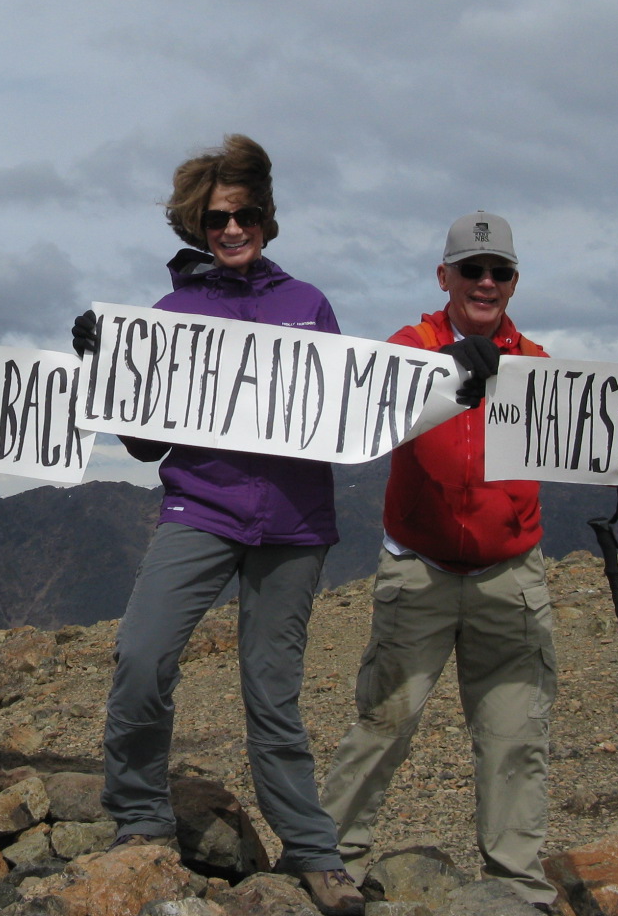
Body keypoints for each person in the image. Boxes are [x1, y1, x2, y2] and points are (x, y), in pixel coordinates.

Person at [318, 210, 618, 912]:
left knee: (515, 734)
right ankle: (332, 861)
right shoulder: (409, 349)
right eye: (471, 270)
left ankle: (516, 887)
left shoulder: (537, 368)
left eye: (499, 271)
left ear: (514, 282)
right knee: (384, 721)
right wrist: (447, 371)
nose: (485, 282)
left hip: (509, 576)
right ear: (444, 276)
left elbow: (584, 439)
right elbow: (363, 407)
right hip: (419, 570)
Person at [71, 134, 364, 916]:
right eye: (215, 219)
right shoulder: (172, 314)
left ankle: (314, 852)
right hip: (200, 507)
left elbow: (349, 411)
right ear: (195, 227)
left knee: (273, 694)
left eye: (244, 215)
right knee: (142, 655)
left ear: (266, 217)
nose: (232, 229)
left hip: (295, 522)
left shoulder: (309, 305)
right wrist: (109, 365)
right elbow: (144, 443)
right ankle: (140, 819)